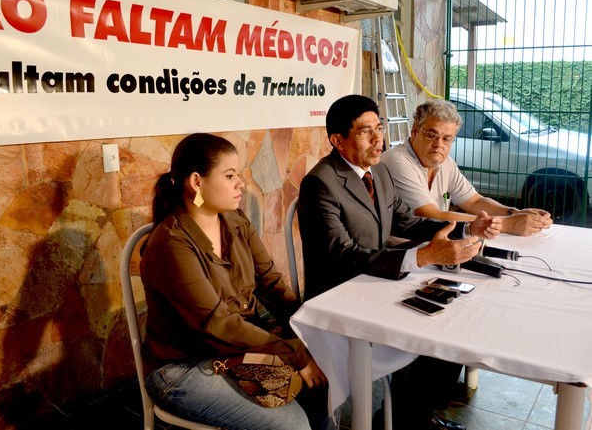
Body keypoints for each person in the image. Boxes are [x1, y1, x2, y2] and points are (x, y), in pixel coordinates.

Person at [297, 95, 502, 430]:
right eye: (366, 132)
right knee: (435, 334)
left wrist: (467, 226)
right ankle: (404, 418)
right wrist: (422, 256)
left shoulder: (377, 172)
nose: (379, 139)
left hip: (379, 282)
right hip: (340, 296)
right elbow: (343, 256)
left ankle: (412, 418)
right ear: (338, 140)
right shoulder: (321, 183)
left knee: (451, 323)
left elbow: (407, 223)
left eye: (380, 128)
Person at [140, 133, 332, 430]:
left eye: (238, 174)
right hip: (183, 367)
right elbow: (218, 323)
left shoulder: (235, 221)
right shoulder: (171, 242)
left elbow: (271, 283)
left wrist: (308, 327)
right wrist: (295, 353)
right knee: (291, 424)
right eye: (229, 175)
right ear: (196, 182)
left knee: (326, 383)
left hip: (235, 350)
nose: (241, 183)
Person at [382, 98, 553, 236]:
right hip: (401, 251)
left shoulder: (445, 163)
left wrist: (514, 213)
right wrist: (506, 224)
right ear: (414, 131)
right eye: (431, 135)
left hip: (433, 243)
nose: (438, 144)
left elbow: (475, 201)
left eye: (447, 138)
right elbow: (430, 215)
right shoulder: (397, 160)